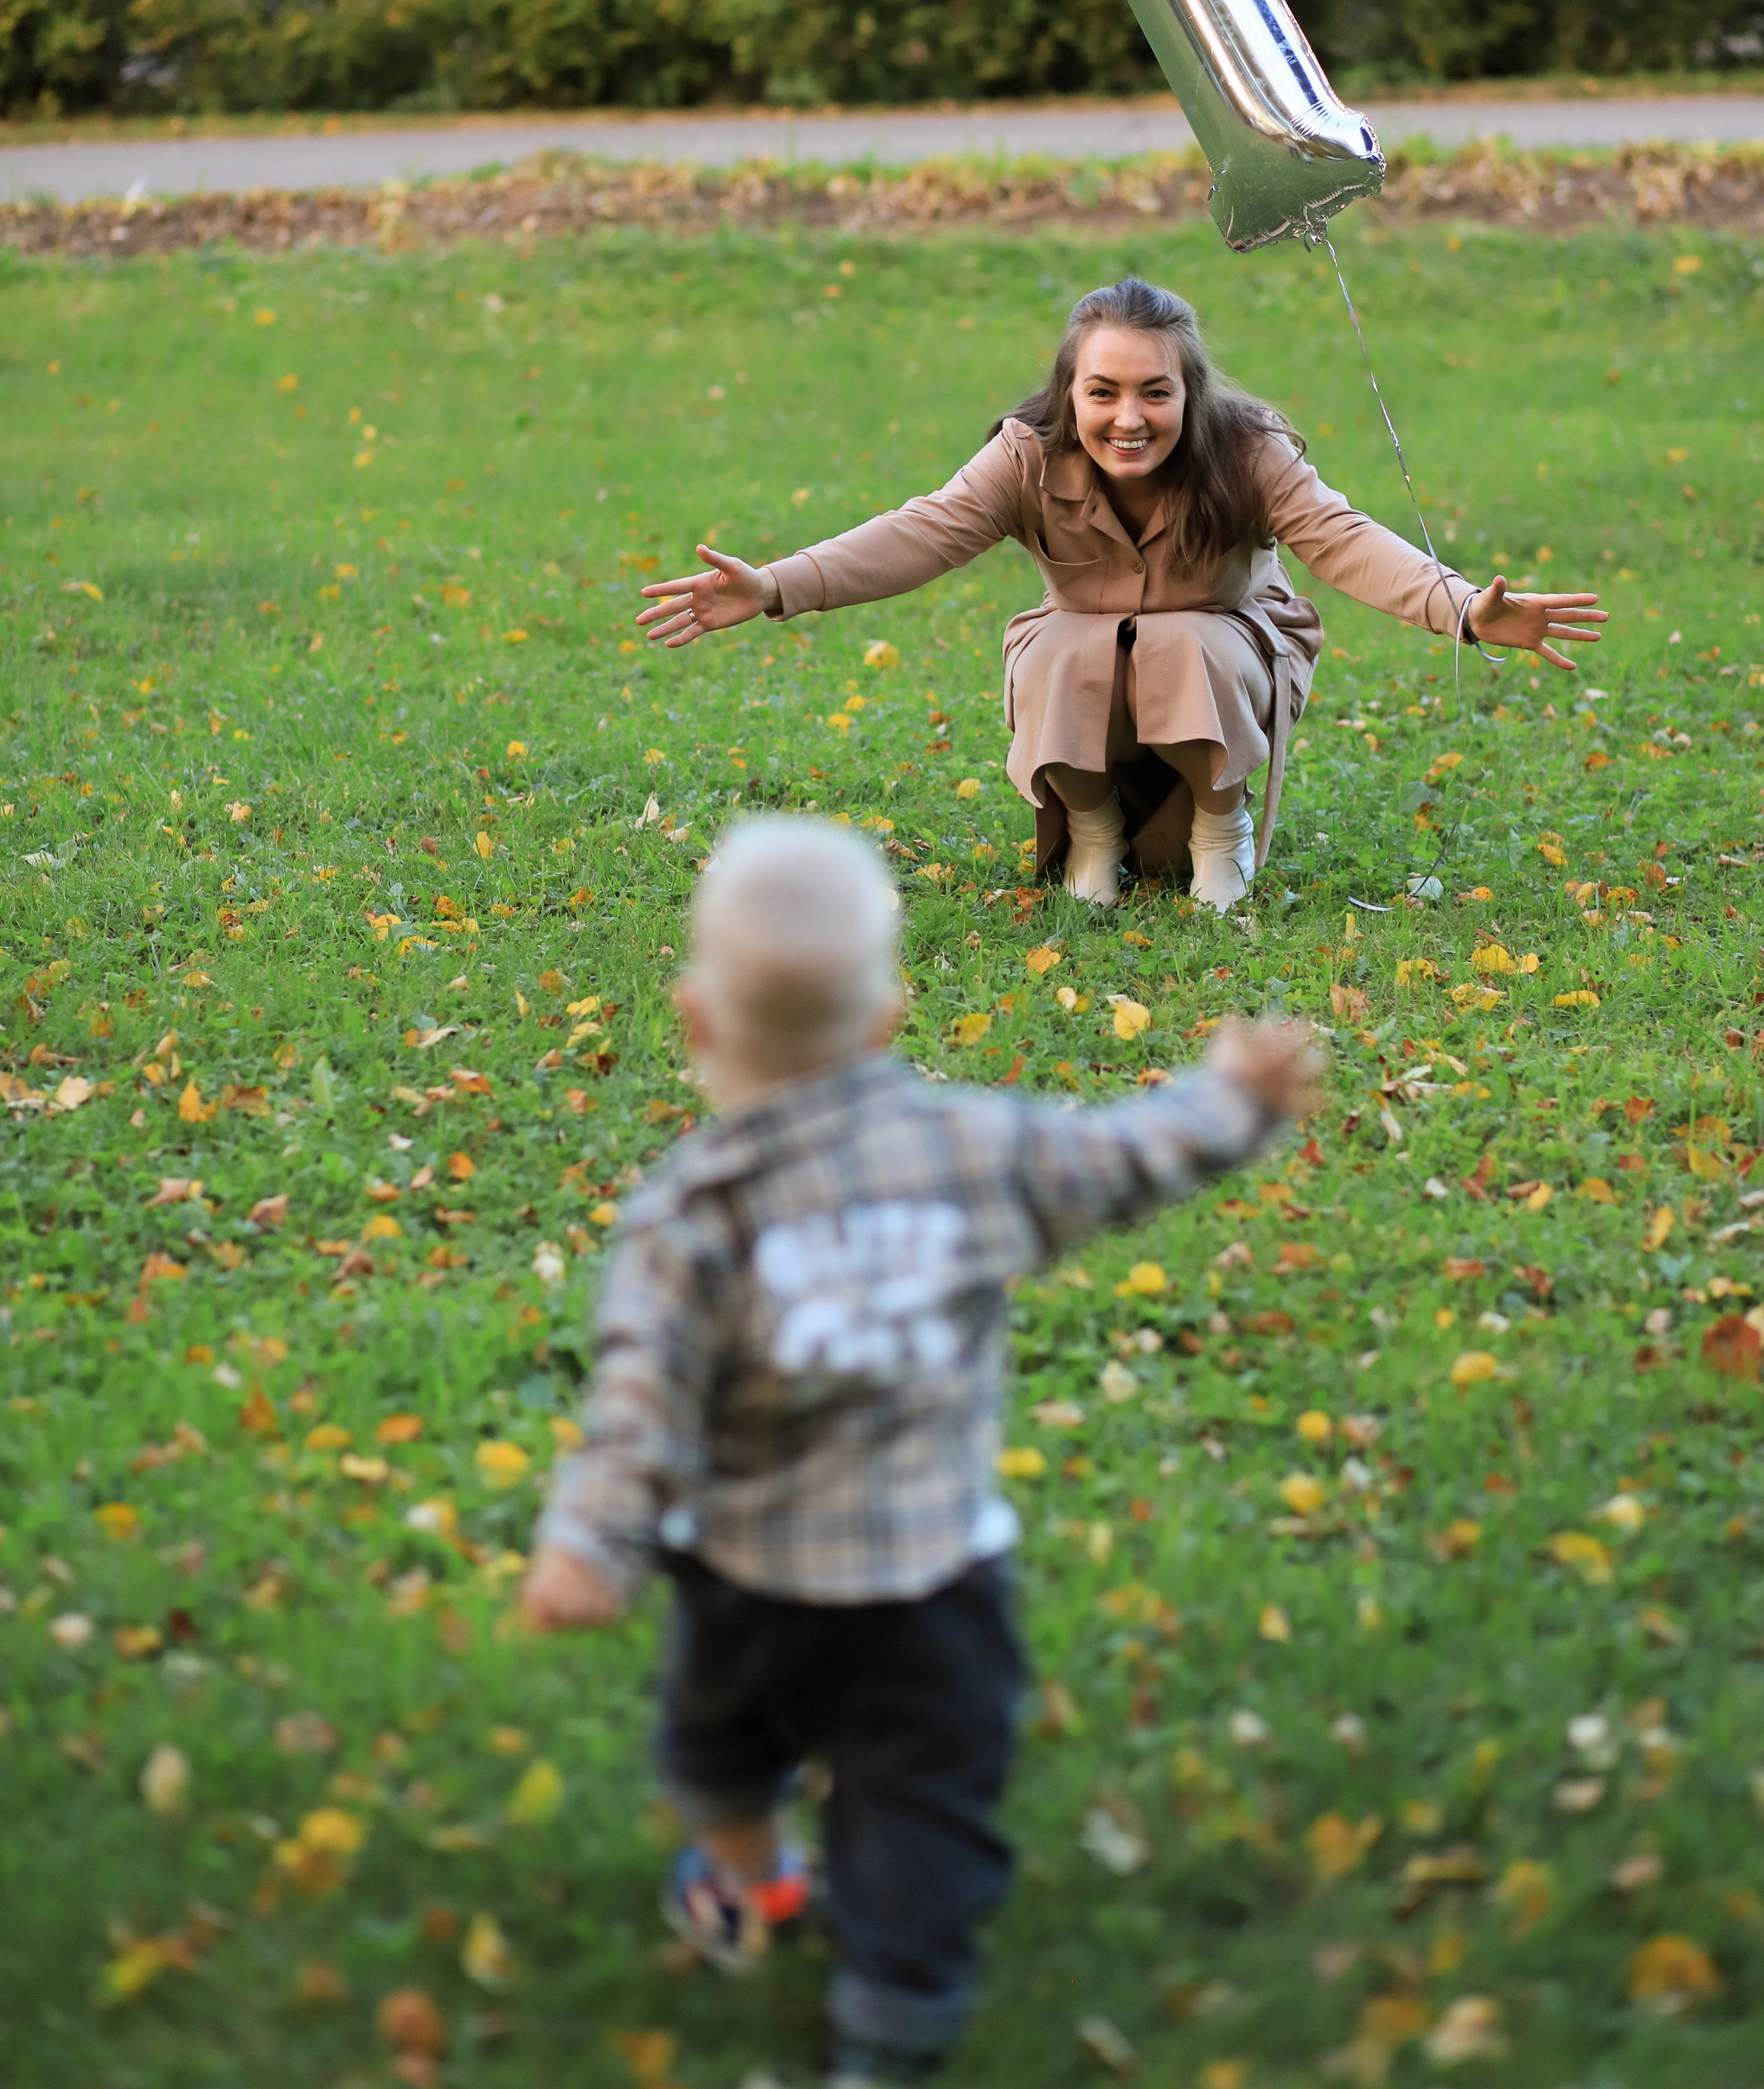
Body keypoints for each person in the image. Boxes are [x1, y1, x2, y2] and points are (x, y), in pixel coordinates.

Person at [522, 815, 1322, 2089]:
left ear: (696, 1020)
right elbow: (1122, 1158)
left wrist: (588, 1549)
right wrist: (1232, 1105)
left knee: (718, 1751)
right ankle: (895, 2025)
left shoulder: (687, 1215)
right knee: (919, 1802)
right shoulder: (974, 1150)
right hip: (936, 1584)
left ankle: (749, 1884)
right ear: (891, 1013)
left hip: (749, 1585)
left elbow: (643, 1409)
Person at [637, 276, 1607, 913]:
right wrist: (774, 587)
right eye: (1103, 392)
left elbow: (1343, 541)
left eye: (1155, 392)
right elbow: (920, 532)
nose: (1129, 418)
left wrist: (1465, 608)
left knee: (1182, 639)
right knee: (1061, 643)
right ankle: (1094, 829)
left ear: (1190, 394)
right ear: (1071, 394)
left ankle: (1222, 827)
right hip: (1090, 662)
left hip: (1230, 650)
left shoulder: (1249, 453)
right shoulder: (1025, 456)